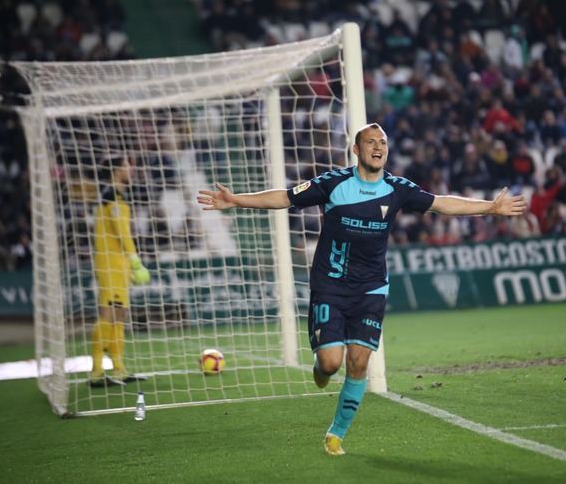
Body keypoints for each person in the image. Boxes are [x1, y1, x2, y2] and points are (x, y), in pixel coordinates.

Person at [197, 123, 526, 455]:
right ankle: (321, 369)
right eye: (370, 142)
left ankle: (336, 434)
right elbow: (284, 197)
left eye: (382, 142)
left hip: (371, 289)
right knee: (329, 363)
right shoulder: (334, 183)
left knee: (358, 362)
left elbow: (441, 203)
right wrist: (236, 200)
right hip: (330, 285)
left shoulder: (397, 188)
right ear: (356, 150)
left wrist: (490, 207)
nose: (378, 147)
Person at [89, 153, 151, 387]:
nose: (131, 169)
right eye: (127, 165)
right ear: (117, 170)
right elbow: (121, 230)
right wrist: (135, 260)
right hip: (110, 262)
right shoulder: (111, 195)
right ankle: (95, 372)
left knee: (119, 315)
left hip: (118, 263)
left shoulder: (116, 194)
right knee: (109, 314)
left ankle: (118, 368)